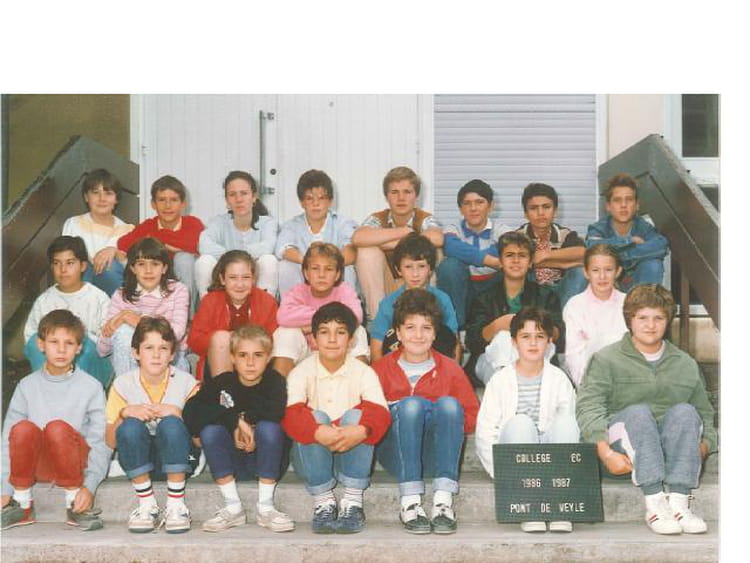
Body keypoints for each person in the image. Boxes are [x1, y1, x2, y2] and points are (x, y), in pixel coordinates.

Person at [576, 284, 717, 535]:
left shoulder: (685, 363)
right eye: (642, 318)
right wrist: (606, 454)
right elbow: (589, 409)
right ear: (630, 320)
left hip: (671, 454)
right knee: (639, 413)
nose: (650, 325)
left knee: (686, 412)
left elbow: (705, 414)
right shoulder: (606, 359)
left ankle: (679, 503)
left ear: (668, 321)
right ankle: (655, 504)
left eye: (658, 318)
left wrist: (701, 448)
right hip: (622, 453)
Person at [373, 289, 478, 535]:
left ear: (435, 333)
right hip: (396, 454)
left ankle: (443, 502)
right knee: (411, 406)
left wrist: (439, 418)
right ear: (398, 333)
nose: (418, 335)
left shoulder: (450, 369)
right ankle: (410, 502)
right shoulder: (380, 369)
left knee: (449, 405)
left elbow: (471, 416)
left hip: (436, 455)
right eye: (410, 328)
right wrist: (400, 411)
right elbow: (369, 417)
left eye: (426, 328)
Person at [282, 302, 390, 534]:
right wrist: (317, 430)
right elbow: (290, 414)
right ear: (314, 339)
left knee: (358, 416)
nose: (332, 339)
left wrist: (362, 430)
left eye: (340, 332)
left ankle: (353, 501)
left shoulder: (364, 372)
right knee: (314, 416)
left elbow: (381, 413)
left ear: (351, 340)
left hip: (351, 455)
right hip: (312, 459)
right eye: (324, 332)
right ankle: (324, 502)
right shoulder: (301, 371)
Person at [2, 310, 109, 531]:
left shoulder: (91, 387)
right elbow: (7, 441)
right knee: (21, 429)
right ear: (41, 344)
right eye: (54, 342)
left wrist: (89, 486)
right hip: (38, 465)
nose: (61, 350)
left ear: (79, 348)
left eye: (69, 343)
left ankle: (74, 504)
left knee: (57, 428)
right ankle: (22, 504)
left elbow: (100, 441)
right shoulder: (26, 386)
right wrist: (5, 488)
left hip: (76, 463)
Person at [475, 306, 579, 533]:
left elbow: (568, 431)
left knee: (567, 423)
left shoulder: (560, 379)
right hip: (517, 462)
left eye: (539, 336)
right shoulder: (499, 380)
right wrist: (503, 472)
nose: (533, 343)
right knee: (521, 423)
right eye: (525, 337)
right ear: (514, 342)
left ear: (549, 342)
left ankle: (560, 504)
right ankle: (530, 504)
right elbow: (485, 433)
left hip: (550, 462)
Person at [183, 325, 293, 533]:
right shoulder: (222, 382)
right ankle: (233, 507)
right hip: (233, 462)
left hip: (266, 460)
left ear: (269, 357)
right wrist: (234, 421)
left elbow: (274, 412)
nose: (250, 363)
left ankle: (266, 507)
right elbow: (191, 412)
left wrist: (246, 423)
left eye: (258, 355)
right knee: (210, 431)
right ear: (232, 358)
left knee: (270, 428)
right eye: (243, 355)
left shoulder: (275, 382)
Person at [105, 317, 199, 534]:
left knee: (171, 424)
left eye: (163, 348)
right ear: (135, 352)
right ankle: (147, 505)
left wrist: (179, 414)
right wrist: (124, 414)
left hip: (181, 461)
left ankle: (176, 505)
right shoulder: (122, 384)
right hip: (141, 462)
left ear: (172, 354)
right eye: (149, 348)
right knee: (130, 426)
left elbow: (199, 440)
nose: (156, 355)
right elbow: (110, 441)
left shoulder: (188, 383)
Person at [465, 231, 564, 386]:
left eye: (522, 255)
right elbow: (472, 342)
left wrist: (535, 326)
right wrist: (497, 326)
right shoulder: (484, 298)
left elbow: (559, 335)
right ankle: (510, 390)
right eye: (509, 255)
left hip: (536, 356)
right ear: (501, 261)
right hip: (492, 362)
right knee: (504, 338)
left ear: (530, 262)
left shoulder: (546, 295)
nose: (516, 260)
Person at [352, 166, 443, 321]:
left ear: (416, 196)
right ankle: (379, 321)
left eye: (407, 192)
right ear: (386, 196)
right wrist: (404, 232)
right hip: (386, 286)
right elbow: (358, 237)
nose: (401, 198)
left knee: (435, 251)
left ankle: (426, 317)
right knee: (367, 252)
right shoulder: (379, 218)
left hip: (418, 282)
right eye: (394, 192)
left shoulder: (423, 218)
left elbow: (437, 237)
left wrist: (388, 243)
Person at [23, 235, 112, 388]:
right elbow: (30, 341)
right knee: (35, 342)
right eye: (57, 263)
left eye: (70, 263)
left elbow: (108, 344)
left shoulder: (98, 298)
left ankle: (75, 396)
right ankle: (49, 391)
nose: (63, 270)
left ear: (83, 266)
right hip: (53, 367)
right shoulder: (44, 301)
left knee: (82, 344)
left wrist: (72, 340)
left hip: (93, 368)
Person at [97, 237, 190, 376]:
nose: (148, 270)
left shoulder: (179, 290)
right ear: (133, 268)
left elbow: (175, 334)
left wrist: (134, 319)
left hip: (170, 362)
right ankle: (128, 389)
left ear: (164, 268)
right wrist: (115, 325)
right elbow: (102, 350)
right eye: (141, 264)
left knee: (128, 330)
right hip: (131, 366)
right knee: (123, 333)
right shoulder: (121, 295)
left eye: (155, 264)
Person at [272, 243, 368, 377]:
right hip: (306, 352)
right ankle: (280, 384)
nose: (321, 275)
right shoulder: (298, 291)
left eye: (328, 269)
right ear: (306, 273)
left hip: (337, 348)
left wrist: (311, 326)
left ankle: (360, 382)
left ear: (337, 274)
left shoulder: (344, 290)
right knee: (285, 332)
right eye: (315, 268)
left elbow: (355, 316)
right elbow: (283, 317)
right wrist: (328, 317)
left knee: (359, 331)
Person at [117, 175, 204, 311]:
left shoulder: (193, 224)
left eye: (174, 200)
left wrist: (158, 241)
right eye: (162, 200)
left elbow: (194, 247)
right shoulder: (148, 226)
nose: (168, 206)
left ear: (183, 204)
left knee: (184, 259)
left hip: (188, 284)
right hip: (158, 280)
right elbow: (123, 244)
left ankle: (186, 316)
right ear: (153, 204)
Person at [187, 250, 279, 380]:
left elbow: (273, 341)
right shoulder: (210, 301)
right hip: (218, 365)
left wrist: (246, 342)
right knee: (221, 338)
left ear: (253, 279)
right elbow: (194, 341)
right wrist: (227, 339)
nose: (240, 284)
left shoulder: (267, 302)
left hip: (256, 365)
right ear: (222, 279)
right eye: (233, 278)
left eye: (246, 277)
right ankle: (223, 390)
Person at [369, 233, 459, 363]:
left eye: (421, 266)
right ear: (398, 270)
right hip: (397, 366)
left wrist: (453, 371)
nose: (415, 274)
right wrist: (381, 373)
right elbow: (377, 345)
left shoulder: (442, 300)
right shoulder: (388, 303)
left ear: (431, 269)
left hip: (435, 365)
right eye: (408, 267)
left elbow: (454, 342)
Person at [437, 179, 510, 329]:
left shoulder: (502, 229)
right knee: (449, 266)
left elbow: (507, 248)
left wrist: (465, 254)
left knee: (515, 264)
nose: (473, 208)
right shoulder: (453, 228)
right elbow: (450, 246)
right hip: (464, 288)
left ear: (491, 206)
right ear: (460, 209)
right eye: (467, 203)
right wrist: (490, 260)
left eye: (479, 202)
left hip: (493, 286)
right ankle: (455, 329)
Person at [275, 169, 358, 294]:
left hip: (333, 274)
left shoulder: (343, 223)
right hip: (305, 275)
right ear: (302, 202)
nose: (316, 204)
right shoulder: (291, 225)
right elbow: (283, 249)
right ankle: (293, 304)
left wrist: (327, 266)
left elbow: (351, 250)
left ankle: (344, 305)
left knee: (348, 269)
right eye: (309, 198)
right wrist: (311, 264)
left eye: (321, 198)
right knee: (285, 266)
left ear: (330, 201)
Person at [196, 171, 278, 297]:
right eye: (232, 194)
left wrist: (231, 255)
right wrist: (235, 257)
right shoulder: (217, 222)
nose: (239, 199)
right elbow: (204, 246)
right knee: (204, 261)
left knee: (269, 260)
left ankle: (264, 307)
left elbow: (268, 247)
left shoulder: (268, 223)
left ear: (254, 197)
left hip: (253, 278)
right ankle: (210, 306)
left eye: (244, 193)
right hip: (226, 279)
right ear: (227, 200)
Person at [586, 173, 669, 291]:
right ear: (608, 206)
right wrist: (629, 241)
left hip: (635, 284)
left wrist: (623, 256)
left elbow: (661, 246)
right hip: (606, 283)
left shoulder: (643, 227)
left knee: (653, 265)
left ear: (637, 205)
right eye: (617, 200)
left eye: (629, 200)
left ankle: (645, 302)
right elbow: (591, 247)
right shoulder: (599, 228)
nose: (623, 205)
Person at [563, 244, 628, 387]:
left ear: (618, 271)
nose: (602, 276)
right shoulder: (575, 305)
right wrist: (587, 388)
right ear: (586, 272)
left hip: (626, 381)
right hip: (590, 383)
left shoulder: (629, 303)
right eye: (595, 270)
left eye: (608, 270)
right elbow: (574, 355)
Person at [62, 168, 134, 295]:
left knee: (108, 266)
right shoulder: (74, 224)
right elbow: (66, 260)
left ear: (116, 199)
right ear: (86, 197)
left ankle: (123, 305)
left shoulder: (127, 230)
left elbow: (135, 268)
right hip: (84, 282)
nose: (102, 199)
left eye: (108, 193)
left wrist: (115, 252)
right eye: (95, 193)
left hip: (114, 286)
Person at [516, 182, 587, 309]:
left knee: (580, 272)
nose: (540, 213)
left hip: (560, 290)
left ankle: (567, 317)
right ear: (525, 213)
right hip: (531, 291)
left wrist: (545, 255)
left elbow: (582, 253)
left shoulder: (565, 234)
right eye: (533, 208)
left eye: (546, 207)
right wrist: (564, 262)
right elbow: (517, 264)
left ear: (555, 211)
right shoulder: (518, 237)